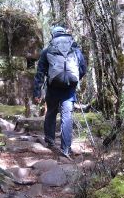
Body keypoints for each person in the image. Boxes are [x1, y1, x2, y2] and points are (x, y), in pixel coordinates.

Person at [33, 25, 87, 159]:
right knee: (67, 117)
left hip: (53, 88)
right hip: (69, 90)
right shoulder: (75, 49)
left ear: (53, 36)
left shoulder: (48, 50)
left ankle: (50, 140)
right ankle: (66, 149)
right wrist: (74, 80)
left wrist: (37, 92)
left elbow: (40, 73)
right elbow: (83, 68)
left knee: (51, 112)